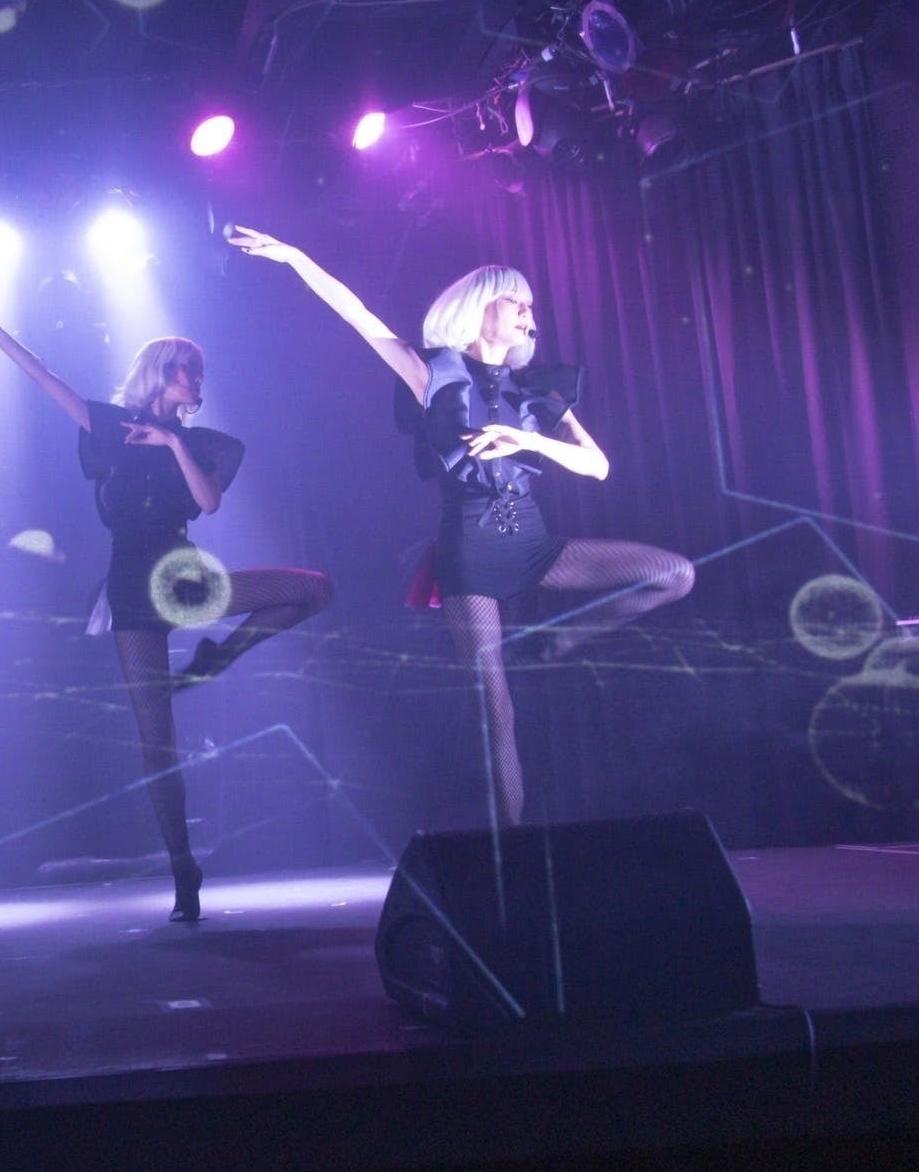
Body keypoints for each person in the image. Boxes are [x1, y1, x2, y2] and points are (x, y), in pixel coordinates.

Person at [228, 226, 695, 826]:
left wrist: (529, 440)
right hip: (470, 553)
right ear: (479, 309)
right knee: (496, 710)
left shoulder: (539, 390)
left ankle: (561, 641)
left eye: (530, 304)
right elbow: (358, 316)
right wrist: (296, 257)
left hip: (535, 544)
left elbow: (598, 466)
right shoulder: (436, 375)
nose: (528, 312)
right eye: (514, 301)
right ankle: (513, 846)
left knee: (673, 574)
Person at [0, 291, 333, 922]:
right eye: (186, 371)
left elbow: (208, 504)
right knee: (157, 740)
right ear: (160, 372)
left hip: (184, 576)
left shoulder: (207, 444)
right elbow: (42, 376)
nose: (196, 381)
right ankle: (183, 868)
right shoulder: (110, 428)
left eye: (198, 373)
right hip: (130, 586)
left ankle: (217, 658)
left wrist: (172, 442)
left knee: (312, 588)